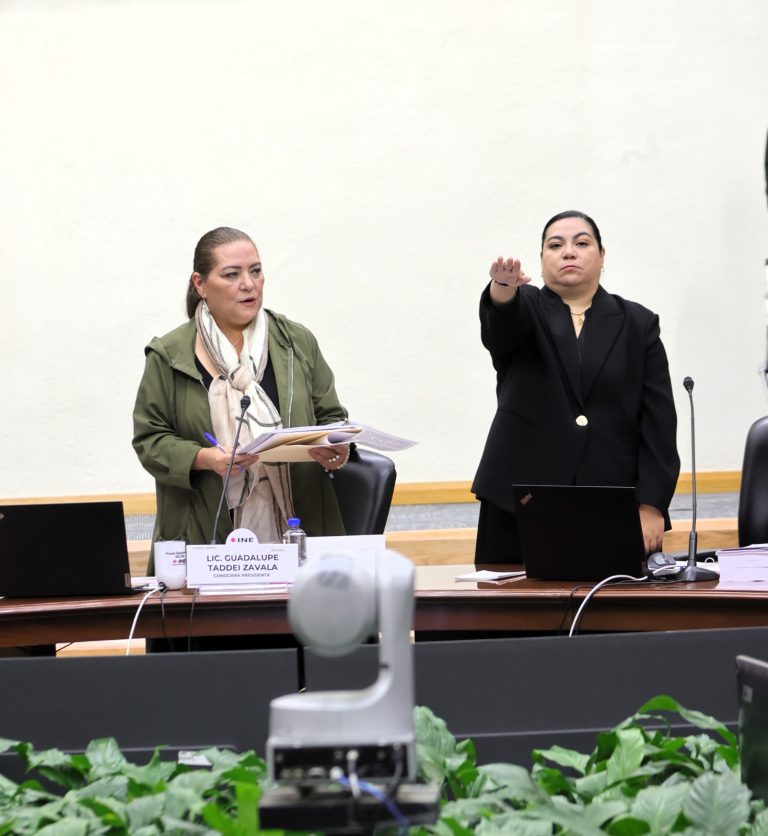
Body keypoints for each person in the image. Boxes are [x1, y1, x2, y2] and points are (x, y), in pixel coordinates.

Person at [472, 210, 680, 564]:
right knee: (512, 615)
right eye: (556, 245)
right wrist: (503, 289)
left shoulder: (638, 324)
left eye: (582, 243)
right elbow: (500, 330)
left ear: (601, 256)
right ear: (541, 260)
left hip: (612, 498)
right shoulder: (526, 308)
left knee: (611, 615)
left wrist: (652, 505)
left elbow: (658, 423)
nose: (569, 251)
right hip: (520, 500)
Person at [133, 226, 350, 563]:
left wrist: (336, 448)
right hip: (204, 532)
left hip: (297, 525)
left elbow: (331, 417)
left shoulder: (295, 342)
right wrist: (207, 458)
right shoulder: (170, 355)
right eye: (232, 274)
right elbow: (150, 441)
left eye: (256, 271)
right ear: (200, 284)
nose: (248, 284)